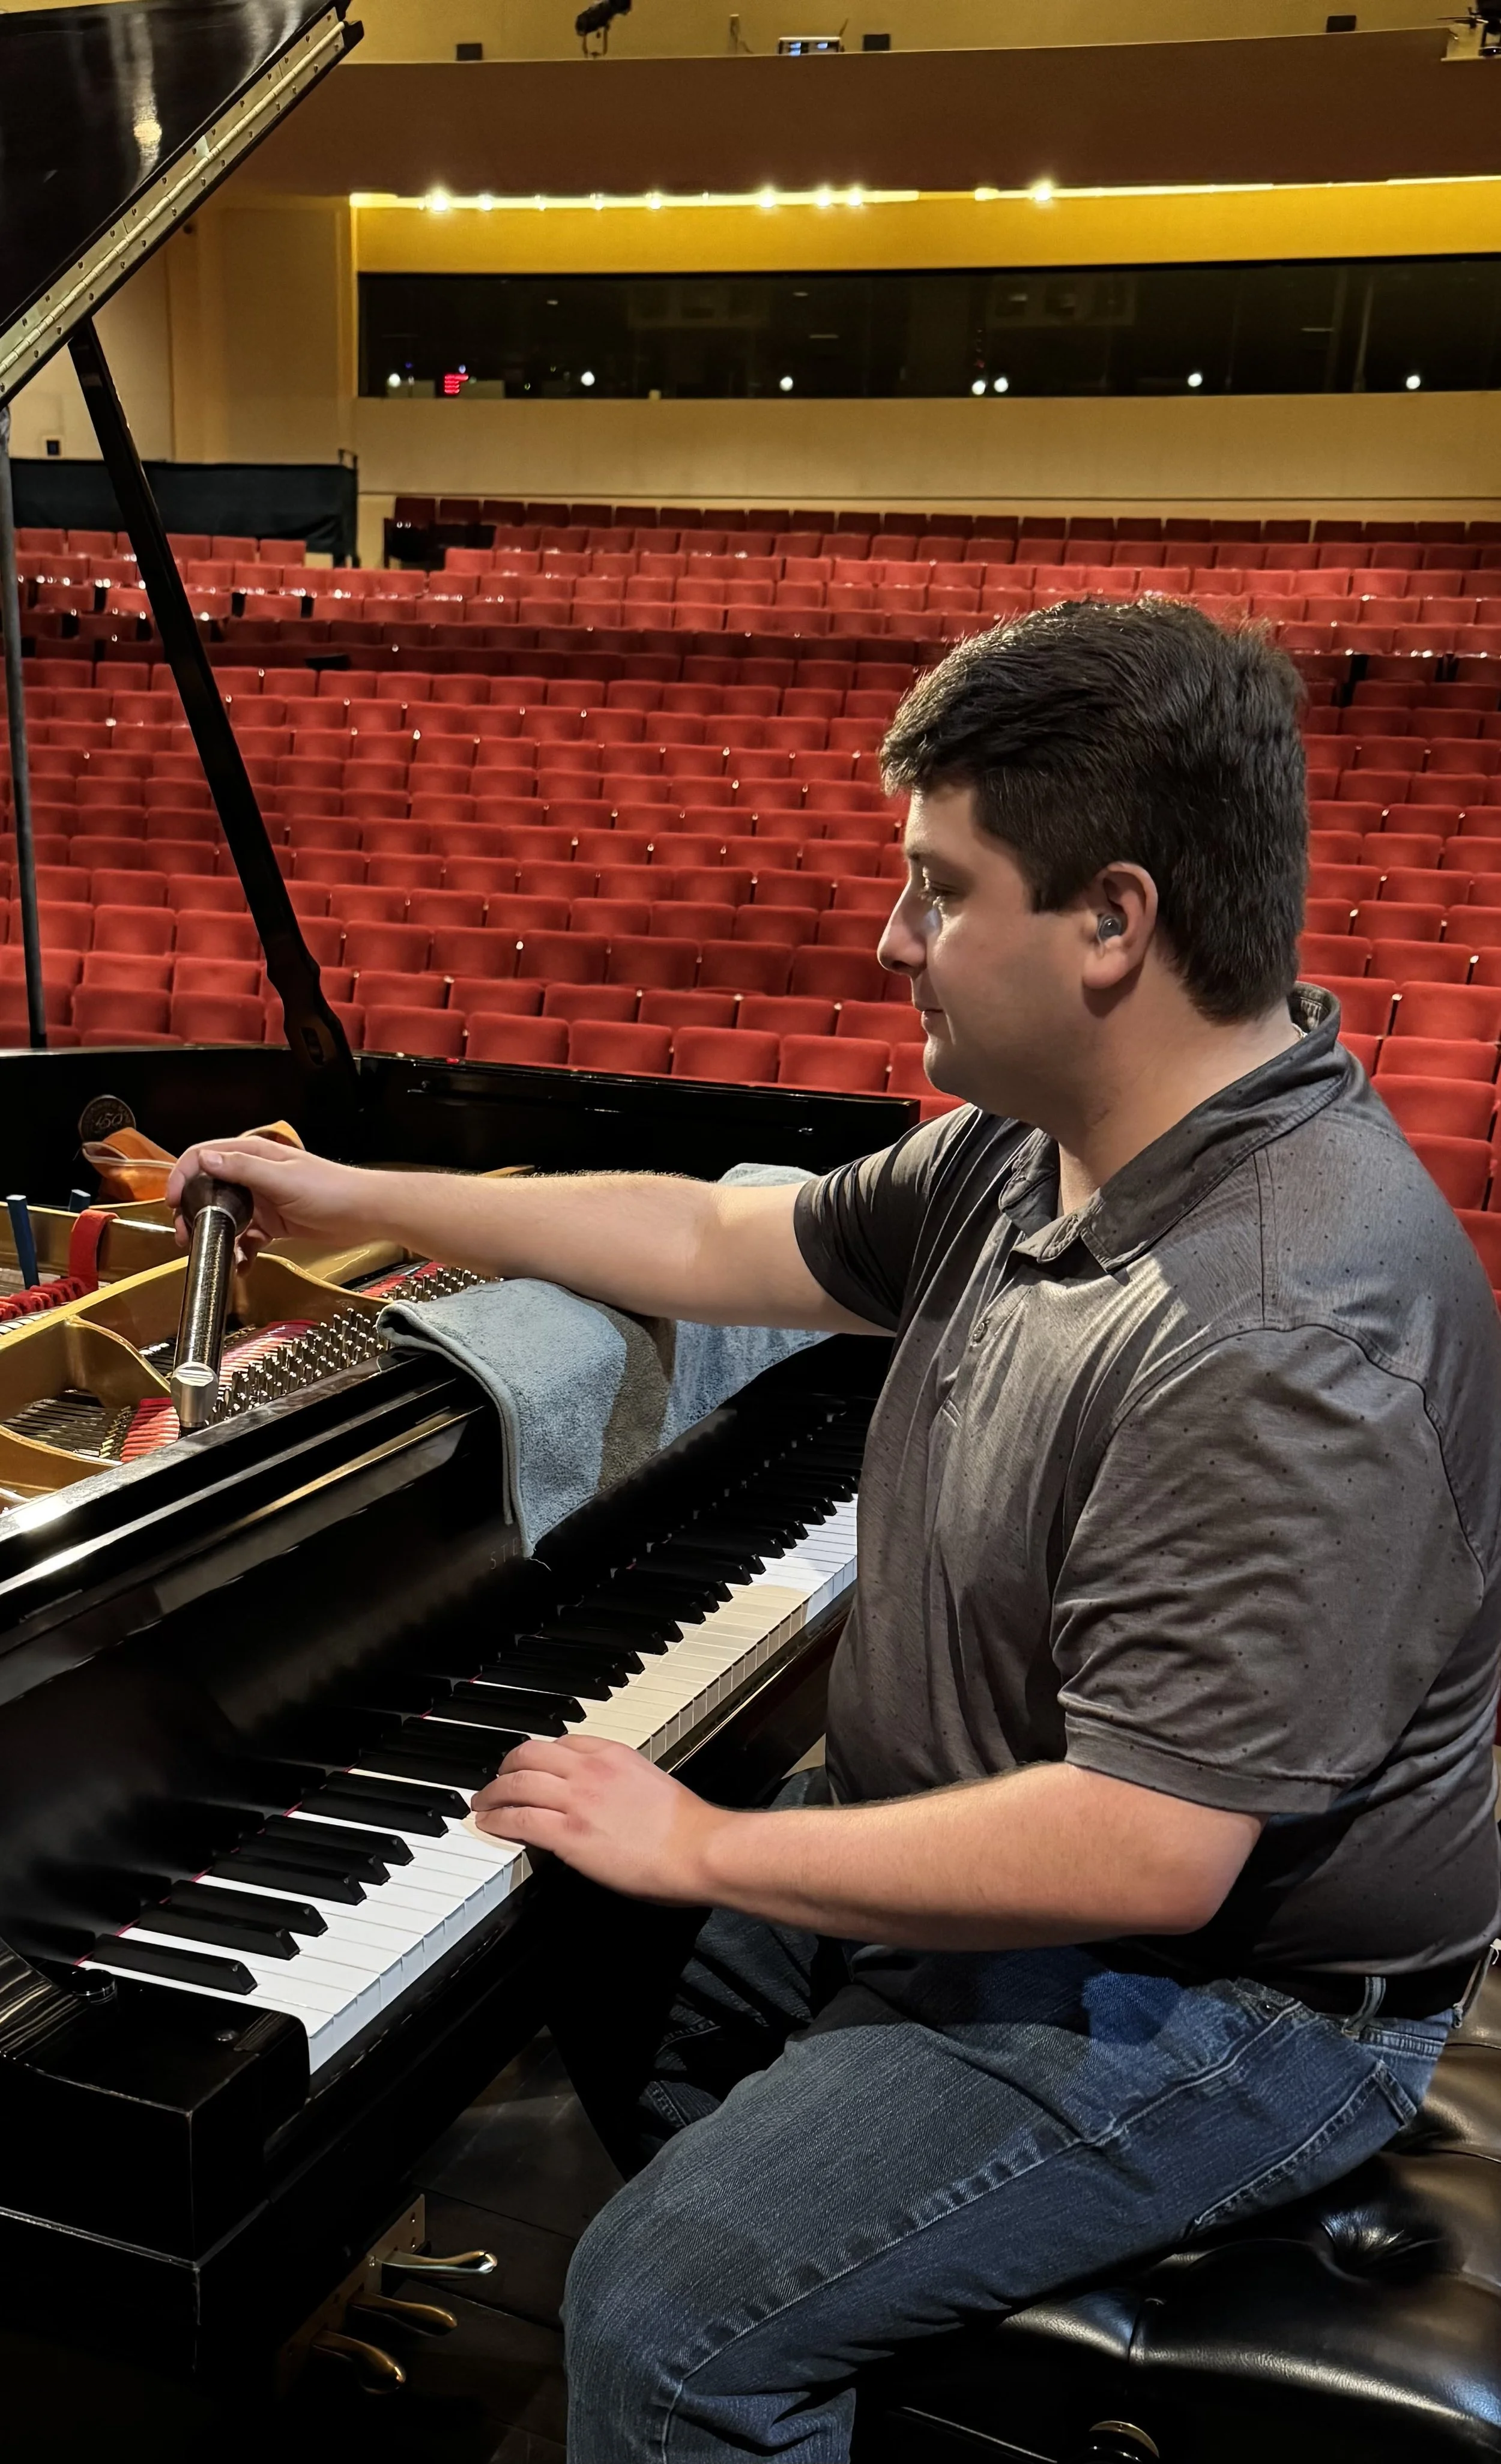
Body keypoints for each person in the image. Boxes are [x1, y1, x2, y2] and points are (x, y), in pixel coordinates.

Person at [170, 599, 1501, 2464]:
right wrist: (348, 1188)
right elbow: (726, 1243)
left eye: (939, 890)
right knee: (576, 1941)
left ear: (1113, 921)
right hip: (987, 1831)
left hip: (1240, 1997)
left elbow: (1147, 1853)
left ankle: (746, 2361)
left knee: (658, 2306)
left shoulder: (1282, 1326)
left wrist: (707, 1837)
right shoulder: (1045, 1139)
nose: (891, 942)